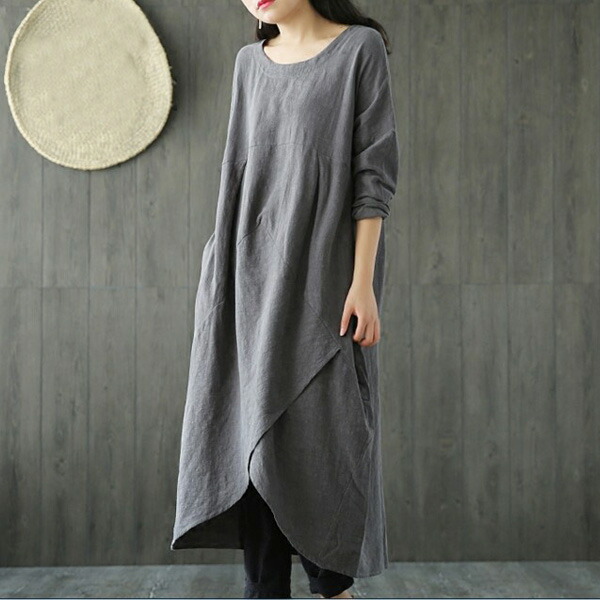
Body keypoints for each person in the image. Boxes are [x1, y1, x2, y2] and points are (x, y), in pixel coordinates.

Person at [170, 1, 400, 598]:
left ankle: (334, 586)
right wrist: (218, 289)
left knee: (327, 439)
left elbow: (373, 175)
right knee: (250, 440)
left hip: (326, 282)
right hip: (246, 283)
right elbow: (237, 176)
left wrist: (362, 282)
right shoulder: (249, 63)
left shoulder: (359, 51)